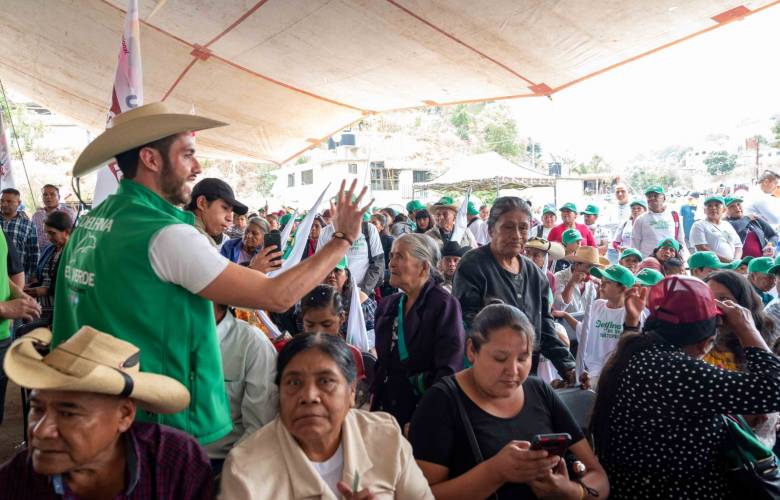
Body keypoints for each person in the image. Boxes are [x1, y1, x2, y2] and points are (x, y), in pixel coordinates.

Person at [54, 101, 370, 444]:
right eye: (187, 154)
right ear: (150, 158)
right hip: (152, 425)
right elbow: (276, 296)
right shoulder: (166, 235)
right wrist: (342, 240)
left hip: (93, 413)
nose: (197, 167)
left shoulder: (90, 225)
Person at [590, 275, 780, 498]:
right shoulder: (679, 371)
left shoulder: (637, 352)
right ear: (704, 343)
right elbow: (774, 389)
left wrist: (631, 323)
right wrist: (747, 328)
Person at [409, 304, 609, 500]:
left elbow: (600, 479)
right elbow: (418, 495)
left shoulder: (538, 390)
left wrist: (572, 492)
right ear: (471, 350)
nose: (513, 370)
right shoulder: (441, 402)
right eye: (499, 358)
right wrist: (494, 473)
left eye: (523, 358)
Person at [0, 326, 213, 499]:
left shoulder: (174, 460)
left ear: (124, 415)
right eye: (37, 409)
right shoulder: (16, 481)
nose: (41, 430)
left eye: (68, 414)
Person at [219, 333, 434, 499]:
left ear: (352, 391)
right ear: (278, 394)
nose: (309, 396)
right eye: (294, 383)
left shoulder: (384, 436)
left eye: (326, 381)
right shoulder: (246, 467)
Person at [453, 197, 576, 384]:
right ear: (491, 230)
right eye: (508, 227)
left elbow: (544, 329)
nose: (517, 235)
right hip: (488, 375)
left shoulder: (535, 275)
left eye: (523, 228)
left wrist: (569, 367)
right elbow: (467, 325)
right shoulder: (473, 266)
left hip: (526, 374)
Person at [372, 233, 465, 427]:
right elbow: (382, 363)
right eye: (391, 256)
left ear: (423, 267)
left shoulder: (443, 305)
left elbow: (448, 369)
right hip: (386, 409)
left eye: (400, 257)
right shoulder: (388, 305)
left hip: (422, 412)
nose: (391, 264)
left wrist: (424, 416)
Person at [205, 302, 278, 472]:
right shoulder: (167, 338)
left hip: (224, 462)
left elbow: (259, 427)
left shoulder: (252, 343)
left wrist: (229, 472)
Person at [559, 265, 639, 389]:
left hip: (617, 375)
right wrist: (565, 315)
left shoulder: (633, 314)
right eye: (602, 281)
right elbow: (584, 331)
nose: (602, 285)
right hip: (591, 371)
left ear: (622, 288)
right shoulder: (597, 306)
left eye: (608, 283)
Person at [318, 209, 385, 296]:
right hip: (332, 294)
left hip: (361, 292)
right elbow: (319, 265)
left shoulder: (368, 229)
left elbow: (378, 264)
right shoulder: (325, 232)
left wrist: (363, 292)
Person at [24, 211, 72, 316]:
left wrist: (46, 290)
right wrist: (34, 284)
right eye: (46, 232)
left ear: (66, 232)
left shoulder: (75, 252)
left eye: (52, 233)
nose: (48, 237)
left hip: (62, 308)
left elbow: (71, 283)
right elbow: (42, 274)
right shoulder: (49, 248)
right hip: (43, 305)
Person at [186, 177, 248, 249]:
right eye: (225, 208)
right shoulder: (190, 236)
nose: (230, 218)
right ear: (202, 203)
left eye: (231, 212)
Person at [631, 186, 687, 259]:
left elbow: (680, 240)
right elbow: (635, 244)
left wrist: (681, 259)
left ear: (664, 198)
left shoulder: (674, 216)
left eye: (655, 195)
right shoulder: (640, 219)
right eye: (649, 196)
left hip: (670, 262)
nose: (652, 198)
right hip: (649, 262)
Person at [689, 195, 742, 263]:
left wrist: (736, 261)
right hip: (711, 266)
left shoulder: (727, 224)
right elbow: (702, 248)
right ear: (704, 210)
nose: (713, 208)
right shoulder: (699, 225)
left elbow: (738, 246)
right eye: (709, 206)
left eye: (717, 205)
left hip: (731, 265)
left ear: (724, 210)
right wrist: (728, 262)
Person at [1, 187, 39, 280]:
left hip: (17, 275)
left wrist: (32, 274)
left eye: (9, 201)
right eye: (2, 200)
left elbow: (34, 251)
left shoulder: (28, 224)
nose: (4, 204)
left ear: (19, 202)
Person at [553, 246, 603, 315]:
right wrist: (571, 283)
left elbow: (594, 310)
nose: (591, 272)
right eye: (589, 267)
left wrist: (599, 293)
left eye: (595, 268)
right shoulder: (559, 277)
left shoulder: (593, 282)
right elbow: (559, 307)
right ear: (577, 265)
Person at [31, 184, 76, 252]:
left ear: (59, 197)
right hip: (43, 254)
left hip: (64, 251)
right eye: (45, 195)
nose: (48, 197)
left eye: (52, 194)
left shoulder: (69, 212)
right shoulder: (37, 215)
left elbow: (75, 233)